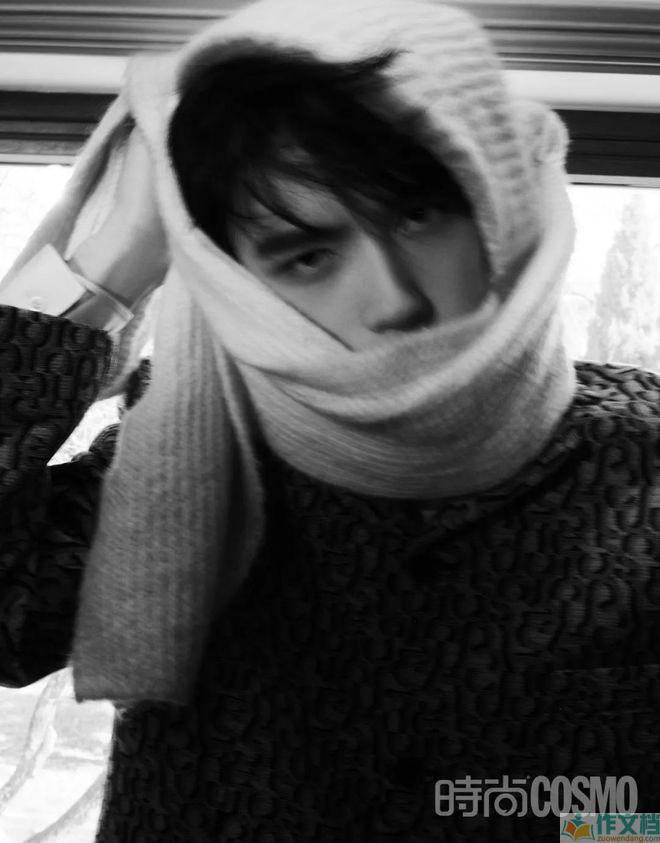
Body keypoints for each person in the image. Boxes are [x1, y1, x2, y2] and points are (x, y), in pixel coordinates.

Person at [1, 0, 659, 840]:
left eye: (417, 215)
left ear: (499, 209)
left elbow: (639, 820)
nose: (395, 298)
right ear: (240, 284)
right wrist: (118, 257)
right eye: (309, 256)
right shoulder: (183, 448)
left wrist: (570, 822)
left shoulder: (645, 465)